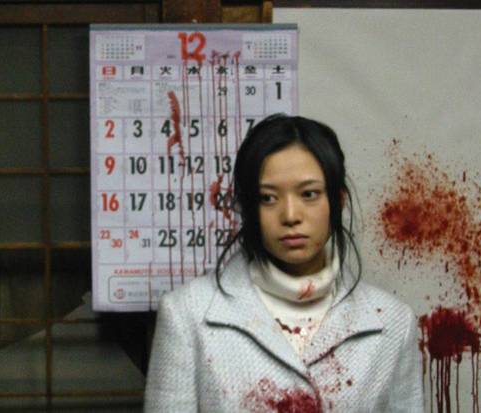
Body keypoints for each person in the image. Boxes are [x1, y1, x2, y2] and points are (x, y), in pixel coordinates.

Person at [144, 114, 423, 412]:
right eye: (268, 198)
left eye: (309, 194)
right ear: (248, 207)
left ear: (338, 201)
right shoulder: (188, 314)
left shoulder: (392, 323)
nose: (290, 215)